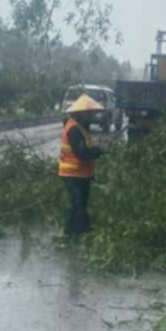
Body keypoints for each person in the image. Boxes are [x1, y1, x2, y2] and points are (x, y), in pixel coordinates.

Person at [58, 94, 105, 239]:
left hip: (81, 174)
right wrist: (98, 151)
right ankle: (71, 234)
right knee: (77, 204)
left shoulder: (80, 127)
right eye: (89, 113)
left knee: (81, 204)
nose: (92, 116)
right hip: (72, 174)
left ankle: (82, 230)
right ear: (81, 114)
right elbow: (81, 153)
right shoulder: (73, 129)